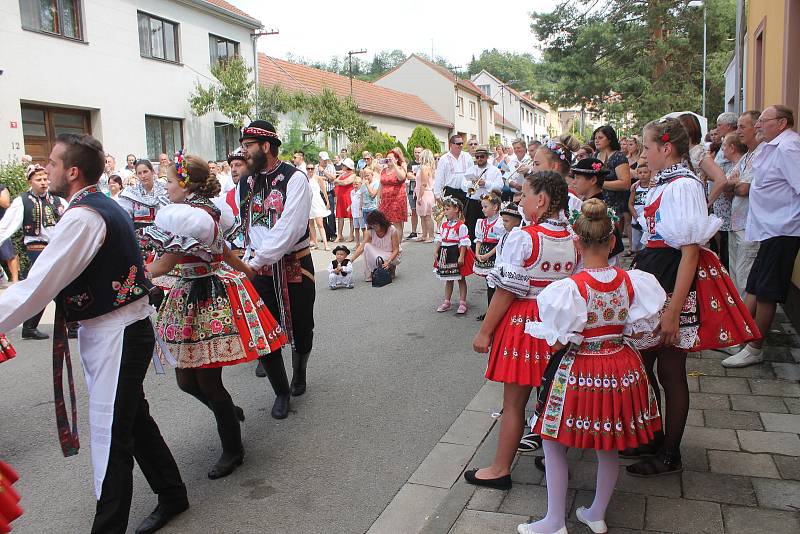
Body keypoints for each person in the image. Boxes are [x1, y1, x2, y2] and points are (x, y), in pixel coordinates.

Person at [0, 133, 189, 534]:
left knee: (111, 437)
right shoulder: (97, 207)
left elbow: (37, 287)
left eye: (51, 163)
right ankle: (173, 493)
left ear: (71, 171)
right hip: (118, 331)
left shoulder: (85, 216)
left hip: (117, 335)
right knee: (133, 421)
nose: (44, 168)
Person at [519, 198, 664, 534]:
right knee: (608, 443)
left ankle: (555, 520)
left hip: (581, 369)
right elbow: (638, 326)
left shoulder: (570, 288)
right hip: (621, 366)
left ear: (576, 242)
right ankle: (596, 513)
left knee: (553, 441)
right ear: (613, 240)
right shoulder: (632, 280)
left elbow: (557, 339)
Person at [626, 118, 759, 476]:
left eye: (647, 147)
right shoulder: (666, 183)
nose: (644, 153)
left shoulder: (681, 185)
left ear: (665, 148)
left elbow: (688, 251)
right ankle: (654, 436)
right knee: (646, 363)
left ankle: (669, 452)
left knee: (669, 368)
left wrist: (671, 310)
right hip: (656, 274)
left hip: (670, 278)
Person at [141, 152, 287, 480]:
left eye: (168, 181)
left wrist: (132, 276)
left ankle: (233, 450)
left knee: (207, 380)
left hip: (207, 298)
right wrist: (245, 268)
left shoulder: (191, 219)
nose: (166, 187)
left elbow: (164, 264)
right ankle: (228, 414)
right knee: (186, 379)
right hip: (191, 294)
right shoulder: (201, 212)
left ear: (185, 184)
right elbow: (221, 250)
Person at [465, 171, 578, 491]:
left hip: (525, 324)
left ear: (541, 200)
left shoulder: (524, 238)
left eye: (524, 195)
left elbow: (507, 290)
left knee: (514, 403)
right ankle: (555, 461)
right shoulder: (572, 238)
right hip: (559, 325)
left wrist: (485, 332)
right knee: (553, 398)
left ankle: (500, 468)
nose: (519, 200)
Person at [237, 121, 314, 415]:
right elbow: (245, 224)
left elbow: (289, 228)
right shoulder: (246, 181)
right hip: (258, 265)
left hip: (293, 262)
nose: (243, 153)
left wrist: (256, 260)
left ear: (265, 147)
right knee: (263, 329)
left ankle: (300, 371)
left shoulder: (295, 179)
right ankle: (281, 391)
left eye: (248, 147)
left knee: (302, 326)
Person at [723, 105, 800, 368]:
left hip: (782, 229)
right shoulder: (774, 146)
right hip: (768, 228)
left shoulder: (789, 147)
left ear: (781, 123)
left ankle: (755, 348)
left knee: (766, 291)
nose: (757, 126)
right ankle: (743, 337)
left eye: (762, 122)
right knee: (755, 286)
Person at [0, 164, 66, 339]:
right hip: (37, 248)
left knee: (44, 287)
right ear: (30, 181)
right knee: (52, 284)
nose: (44, 183)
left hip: (55, 247)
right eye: (39, 180)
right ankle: (72, 323)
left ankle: (30, 326)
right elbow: (6, 226)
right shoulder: (23, 201)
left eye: (45, 179)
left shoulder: (57, 200)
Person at [725, 110, 763, 298]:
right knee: (735, 276)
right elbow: (726, 185)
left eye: (742, 126)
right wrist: (733, 185)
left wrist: (734, 186)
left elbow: (743, 189)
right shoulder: (746, 156)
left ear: (756, 127)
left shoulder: (762, 154)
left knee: (744, 276)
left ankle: (745, 323)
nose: (737, 130)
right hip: (736, 223)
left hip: (751, 225)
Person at [570, 158, 625, 264]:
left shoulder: (598, 210)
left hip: (601, 261)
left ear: (593, 180)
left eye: (577, 178)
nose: (574, 182)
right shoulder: (593, 204)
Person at [433, 196, 473, 314]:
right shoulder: (444, 225)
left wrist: (461, 256)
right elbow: (440, 239)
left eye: (447, 209)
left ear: (456, 209)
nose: (445, 212)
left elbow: (463, 242)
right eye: (444, 209)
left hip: (455, 252)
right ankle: (447, 301)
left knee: (460, 278)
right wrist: (436, 251)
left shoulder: (461, 226)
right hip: (445, 253)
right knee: (448, 278)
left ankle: (462, 302)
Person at [463, 145, 504, 246]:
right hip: (473, 203)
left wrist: (485, 183)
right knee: (471, 229)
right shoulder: (471, 170)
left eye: (482, 156)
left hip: (489, 203)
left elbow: (499, 186)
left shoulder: (494, 170)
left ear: (487, 157)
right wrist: (471, 184)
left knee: (488, 230)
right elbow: (463, 184)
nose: (479, 159)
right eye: (477, 157)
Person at [593, 125, 632, 232]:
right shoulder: (595, 156)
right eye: (595, 138)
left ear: (609, 139)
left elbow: (625, 184)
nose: (596, 140)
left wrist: (599, 183)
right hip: (597, 204)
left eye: (600, 138)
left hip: (615, 206)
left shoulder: (618, 157)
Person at [473, 191, 505, 321]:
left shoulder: (500, 222)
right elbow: (479, 239)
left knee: (494, 284)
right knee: (489, 283)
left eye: (485, 206)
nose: (483, 209)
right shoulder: (481, 222)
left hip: (495, 254)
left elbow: (501, 242)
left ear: (495, 207)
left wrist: (488, 255)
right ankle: (490, 312)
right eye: (482, 206)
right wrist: (477, 253)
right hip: (485, 252)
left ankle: (495, 313)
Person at [349, 210, 401, 282]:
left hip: (392, 256)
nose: (373, 226)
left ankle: (391, 267)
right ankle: (370, 273)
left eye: (375, 224)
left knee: (381, 259)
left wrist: (389, 261)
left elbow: (396, 250)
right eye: (372, 225)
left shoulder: (392, 230)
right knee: (367, 246)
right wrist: (350, 260)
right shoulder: (370, 231)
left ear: (381, 222)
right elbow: (362, 247)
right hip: (378, 256)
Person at [117, 159, 168, 230]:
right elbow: (125, 217)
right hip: (139, 234)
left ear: (152, 172)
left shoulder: (164, 189)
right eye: (139, 173)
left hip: (163, 232)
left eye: (145, 172)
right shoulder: (130, 192)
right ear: (136, 175)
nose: (143, 176)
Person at [434, 135, 473, 206]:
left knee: (466, 215)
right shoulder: (444, 159)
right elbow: (439, 177)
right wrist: (437, 194)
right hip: (450, 192)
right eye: (458, 143)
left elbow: (472, 174)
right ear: (451, 144)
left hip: (465, 192)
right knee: (452, 216)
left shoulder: (468, 157)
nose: (461, 145)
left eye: (462, 143)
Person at [378, 148, 408, 237]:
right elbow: (381, 183)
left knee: (396, 223)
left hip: (397, 199)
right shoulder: (384, 170)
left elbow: (402, 177)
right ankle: (390, 243)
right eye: (387, 159)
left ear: (396, 159)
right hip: (385, 200)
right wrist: (378, 196)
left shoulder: (400, 168)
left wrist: (395, 165)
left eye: (391, 159)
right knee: (385, 222)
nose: (389, 161)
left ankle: (397, 245)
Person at [627, 158, 651, 255]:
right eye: (640, 172)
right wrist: (636, 216)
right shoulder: (635, 187)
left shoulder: (652, 186)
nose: (643, 174)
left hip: (647, 220)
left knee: (645, 244)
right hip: (636, 220)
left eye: (645, 172)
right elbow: (630, 204)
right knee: (636, 243)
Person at [307, 163, 331, 251]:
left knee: (320, 224)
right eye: (308, 168)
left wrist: (327, 201)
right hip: (308, 202)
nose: (310, 170)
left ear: (314, 169)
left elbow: (324, 191)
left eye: (312, 168)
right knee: (311, 224)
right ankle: (315, 243)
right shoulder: (305, 178)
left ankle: (325, 244)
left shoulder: (318, 178)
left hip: (317, 201)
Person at [414, 149, 437, 242]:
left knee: (427, 216)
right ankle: (424, 235)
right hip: (425, 192)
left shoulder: (424, 168)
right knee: (422, 216)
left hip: (425, 193)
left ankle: (431, 236)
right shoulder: (428, 167)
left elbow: (423, 184)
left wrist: (419, 197)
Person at [0, 181, 20, 286]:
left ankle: (15, 281)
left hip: (1, 227)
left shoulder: (2, 188)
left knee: (9, 254)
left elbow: (6, 203)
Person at [334, 158, 356, 243]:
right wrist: (338, 180)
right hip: (340, 196)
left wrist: (338, 181)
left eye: (344, 165)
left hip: (348, 196)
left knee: (350, 216)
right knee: (340, 216)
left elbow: (345, 182)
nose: (342, 166)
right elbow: (336, 181)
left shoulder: (352, 175)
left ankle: (351, 234)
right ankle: (339, 234)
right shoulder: (342, 174)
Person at [318, 151, 337, 241]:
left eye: (326, 160)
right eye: (323, 160)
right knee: (322, 215)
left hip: (329, 192)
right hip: (320, 194)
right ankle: (326, 234)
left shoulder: (330, 166)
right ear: (320, 159)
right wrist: (325, 178)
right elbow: (315, 178)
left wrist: (324, 172)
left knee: (331, 214)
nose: (325, 161)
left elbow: (333, 178)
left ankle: (333, 234)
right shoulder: (315, 168)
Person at [406, 146, 422, 239]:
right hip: (412, 190)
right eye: (415, 152)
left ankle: (426, 232)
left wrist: (415, 176)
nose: (417, 154)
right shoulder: (411, 164)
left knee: (425, 213)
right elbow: (408, 175)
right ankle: (414, 231)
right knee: (414, 211)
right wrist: (418, 177)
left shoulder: (425, 163)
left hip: (423, 190)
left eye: (419, 152)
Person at [350, 174, 365, 246]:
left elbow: (363, 201)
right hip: (354, 212)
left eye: (357, 184)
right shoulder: (352, 192)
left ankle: (365, 243)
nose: (355, 186)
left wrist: (361, 209)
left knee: (363, 228)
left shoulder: (362, 191)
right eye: (354, 184)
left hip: (360, 213)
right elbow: (352, 201)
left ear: (360, 184)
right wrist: (349, 207)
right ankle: (357, 243)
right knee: (356, 228)